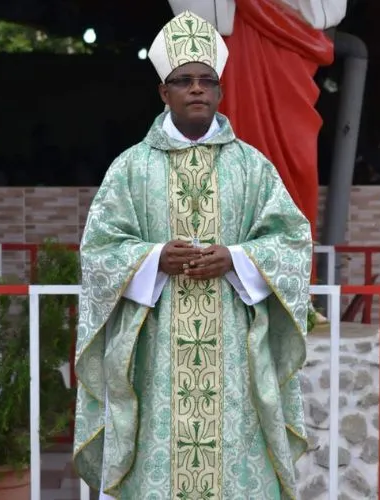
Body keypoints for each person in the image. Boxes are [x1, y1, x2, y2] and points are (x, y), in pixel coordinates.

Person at [73, 11, 312, 500]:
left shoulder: (252, 166)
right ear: (165, 92)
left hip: (234, 354)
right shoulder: (131, 168)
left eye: (207, 81)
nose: (196, 89)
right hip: (155, 351)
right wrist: (154, 258)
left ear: (221, 92)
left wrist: (238, 259)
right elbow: (98, 251)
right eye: (183, 81)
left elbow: (292, 241)